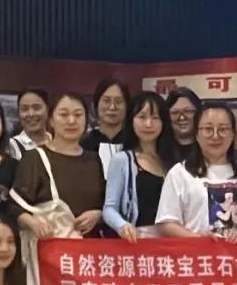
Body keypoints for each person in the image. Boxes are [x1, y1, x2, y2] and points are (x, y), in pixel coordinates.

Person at [156, 101, 237, 241]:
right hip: (196, 252)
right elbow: (166, 223)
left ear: (233, 134)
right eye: (208, 129)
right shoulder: (179, 173)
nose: (215, 136)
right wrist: (198, 239)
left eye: (223, 129)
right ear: (196, 134)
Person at [11, 93, 106, 239]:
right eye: (63, 115)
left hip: (89, 247)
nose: (71, 121)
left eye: (78, 115)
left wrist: (98, 215)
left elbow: (105, 204)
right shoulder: (34, 158)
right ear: (51, 120)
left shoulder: (94, 159)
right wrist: (33, 223)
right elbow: (14, 207)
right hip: (50, 245)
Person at [103, 91, 177, 243]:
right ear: (131, 120)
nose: (148, 124)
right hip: (137, 242)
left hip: (172, 243)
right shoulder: (122, 160)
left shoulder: (173, 162)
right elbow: (109, 208)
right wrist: (122, 225)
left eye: (155, 118)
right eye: (142, 117)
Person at [81, 78, 129, 174]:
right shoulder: (83, 145)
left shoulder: (134, 144)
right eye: (106, 101)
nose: (112, 107)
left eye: (118, 101)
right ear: (96, 105)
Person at [9, 88, 51, 159]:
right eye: (24, 109)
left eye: (36, 108)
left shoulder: (57, 141)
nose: (31, 114)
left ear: (47, 110)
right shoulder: (12, 146)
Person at [166, 87, 202, 164]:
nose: (182, 117)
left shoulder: (208, 148)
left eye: (188, 111)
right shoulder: (158, 152)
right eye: (175, 112)